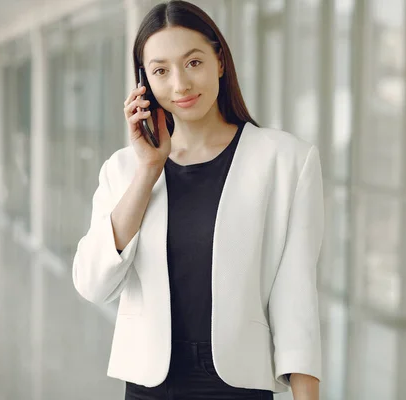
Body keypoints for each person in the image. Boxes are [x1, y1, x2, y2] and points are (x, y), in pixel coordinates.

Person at [72, 1, 324, 399]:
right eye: (160, 71)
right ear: (144, 83)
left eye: (193, 63)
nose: (180, 85)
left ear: (219, 61)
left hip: (237, 383)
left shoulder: (285, 161)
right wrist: (148, 169)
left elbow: (296, 299)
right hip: (150, 384)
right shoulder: (123, 170)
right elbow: (92, 283)